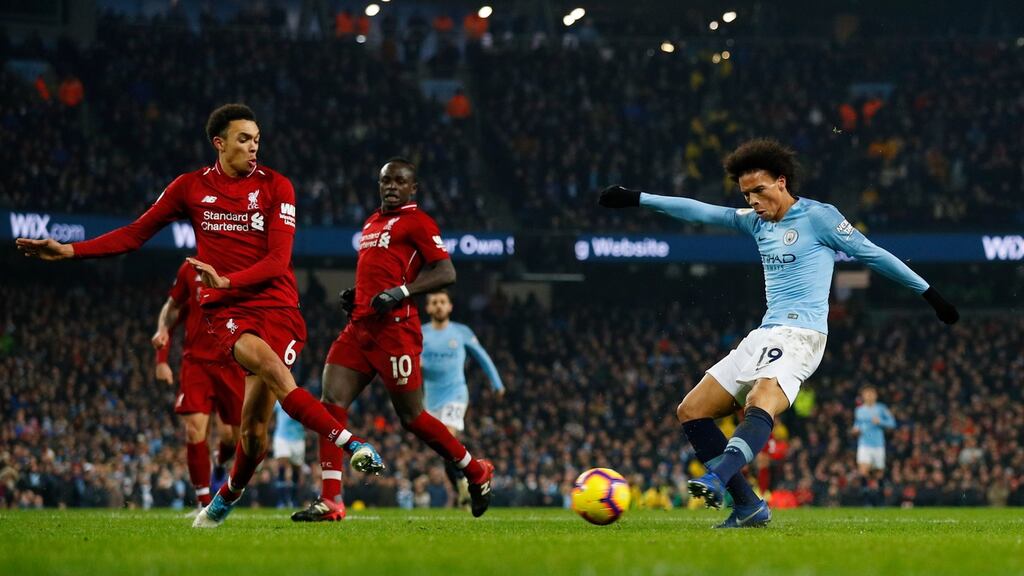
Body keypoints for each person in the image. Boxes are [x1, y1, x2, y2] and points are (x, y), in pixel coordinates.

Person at [16, 103, 383, 528]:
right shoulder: (189, 188)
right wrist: (71, 250)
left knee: (253, 436)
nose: (253, 147)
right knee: (272, 371)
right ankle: (354, 443)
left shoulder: (277, 187)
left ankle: (226, 497)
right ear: (219, 142)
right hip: (227, 311)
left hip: (278, 306)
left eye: (257, 139)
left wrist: (227, 279)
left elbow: (279, 260)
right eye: (244, 139)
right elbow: (135, 234)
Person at [598, 138, 959, 528]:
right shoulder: (754, 222)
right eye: (746, 194)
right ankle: (749, 506)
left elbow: (872, 253)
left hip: (802, 335)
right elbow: (699, 211)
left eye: (759, 191)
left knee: (760, 397)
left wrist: (930, 294)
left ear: (782, 182)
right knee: (691, 410)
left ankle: (717, 477)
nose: (752, 201)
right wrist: (638, 198)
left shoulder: (819, 218)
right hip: (765, 333)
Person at [291, 158, 494, 523]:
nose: (392, 186)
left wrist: (402, 291)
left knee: (413, 417)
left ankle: (475, 469)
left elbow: (446, 271)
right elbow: (380, 272)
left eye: (400, 181)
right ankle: (331, 499)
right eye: (386, 181)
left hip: (396, 331)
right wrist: (357, 294)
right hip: (359, 327)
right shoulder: (371, 222)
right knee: (330, 403)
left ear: (413, 188)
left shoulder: (418, 221)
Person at [152, 260, 245, 513]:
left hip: (231, 363)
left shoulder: (243, 264)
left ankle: (218, 461)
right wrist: (161, 358)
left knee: (233, 437)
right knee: (194, 430)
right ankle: (203, 501)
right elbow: (173, 311)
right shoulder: (188, 270)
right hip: (196, 364)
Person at [421, 289, 504, 507]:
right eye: (434, 302)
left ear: (450, 306)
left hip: (455, 394)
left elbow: (482, 356)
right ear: (428, 308)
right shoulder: (420, 333)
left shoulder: (460, 332)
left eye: (443, 302)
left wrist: (497, 383)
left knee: (448, 439)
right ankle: (462, 486)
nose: (439, 305)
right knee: (444, 449)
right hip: (430, 399)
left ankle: (472, 479)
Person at [852, 386, 895, 477]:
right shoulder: (859, 410)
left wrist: (881, 421)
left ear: (876, 395)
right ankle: (864, 490)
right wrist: (855, 430)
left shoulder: (882, 408)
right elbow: (857, 424)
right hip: (864, 444)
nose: (869, 396)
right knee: (863, 472)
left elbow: (892, 423)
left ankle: (876, 490)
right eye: (867, 394)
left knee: (879, 474)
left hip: (878, 445)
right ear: (863, 396)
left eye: (871, 393)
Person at [272, 401, 307, 508]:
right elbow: (269, 413)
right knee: (282, 466)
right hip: (281, 436)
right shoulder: (278, 401)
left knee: (296, 469)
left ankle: (293, 500)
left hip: (298, 438)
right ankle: (282, 501)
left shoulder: (302, 400)